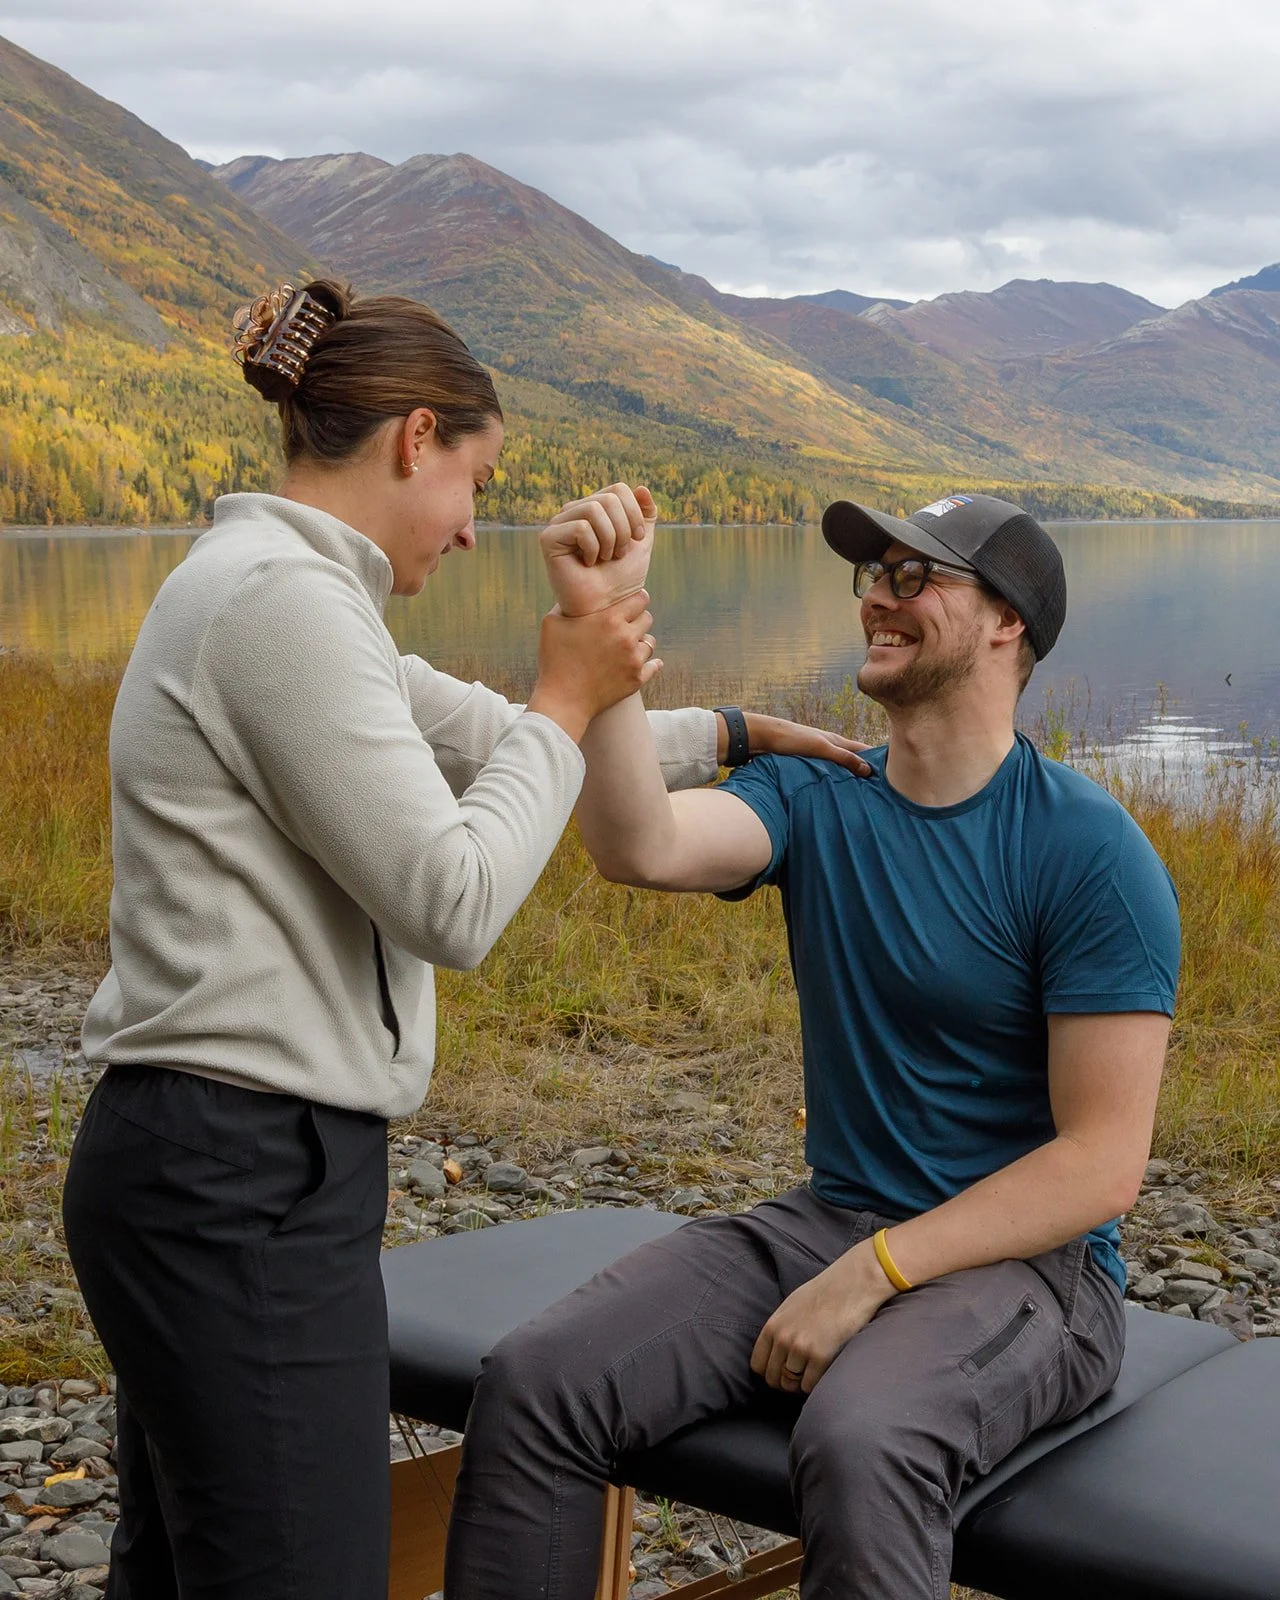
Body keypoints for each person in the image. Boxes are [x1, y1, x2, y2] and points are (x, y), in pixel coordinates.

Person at [60, 279, 861, 1600]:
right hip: (236, 1179)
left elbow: (491, 738)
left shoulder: (293, 599)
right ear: (414, 438)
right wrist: (568, 693)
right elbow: (453, 898)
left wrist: (731, 734)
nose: (477, 530)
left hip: (225, 1169)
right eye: (474, 483)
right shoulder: (278, 609)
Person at [444, 492, 1181, 1600]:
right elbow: (635, 843)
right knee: (537, 1381)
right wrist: (604, 623)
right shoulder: (816, 793)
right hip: (832, 1216)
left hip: (1036, 1275)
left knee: (862, 1437)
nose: (875, 599)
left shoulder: (1086, 851)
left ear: (1004, 624)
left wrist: (875, 1274)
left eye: (912, 576)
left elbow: (1097, 1163)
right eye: (870, 576)